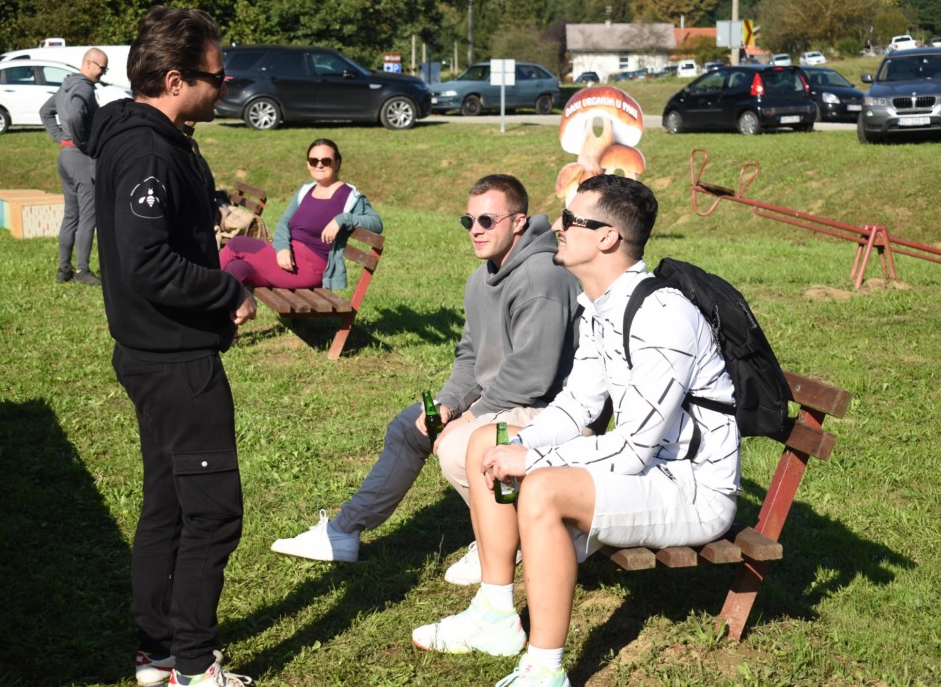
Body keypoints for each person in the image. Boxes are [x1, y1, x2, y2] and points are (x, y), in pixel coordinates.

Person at [412, 175, 741, 687]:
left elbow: (634, 449)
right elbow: (578, 403)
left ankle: (545, 670)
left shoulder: (663, 316)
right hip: (649, 471)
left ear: (607, 237)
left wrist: (534, 462)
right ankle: (495, 615)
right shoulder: (599, 305)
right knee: (486, 440)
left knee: (543, 489)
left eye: (571, 219)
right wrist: (519, 443)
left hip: (692, 489)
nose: (558, 227)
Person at [270, 174, 582, 584]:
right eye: (468, 221)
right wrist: (449, 404)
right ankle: (344, 530)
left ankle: (510, 539)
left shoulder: (543, 278)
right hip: (504, 399)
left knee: (457, 446)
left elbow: (532, 376)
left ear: (519, 222)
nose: (475, 230)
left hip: (549, 408)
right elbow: (470, 356)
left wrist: (471, 418)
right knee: (411, 426)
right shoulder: (481, 278)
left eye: (487, 221)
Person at [87, 6, 257, 687]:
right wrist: (226, 290)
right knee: (212, 513)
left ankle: (157, 653)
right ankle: (194, 663)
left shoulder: (155, 138)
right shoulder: (147, 151)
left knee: (168, 505)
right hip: (175, 363)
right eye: (218, 75)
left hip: (153, 355)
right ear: (176, 79)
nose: (226, 85)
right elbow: (146, 263)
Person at [218, 139, 381, 291]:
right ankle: (221, 312)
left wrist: (342, 219)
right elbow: (284, 222)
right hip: (286, 258)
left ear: (337, 163)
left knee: (237, 244)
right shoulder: (306, 190)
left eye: (326, 161)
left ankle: (204, 289)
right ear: (308, 164)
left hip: (309, 268)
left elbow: (376, 223)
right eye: (314, 161)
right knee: (236, 269)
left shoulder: (349, 196)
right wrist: (282, 248)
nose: (319, 165)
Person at [40, 47, 109, 285]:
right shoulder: (84, 88)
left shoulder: (66, 87)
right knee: (88, 215)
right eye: (102, 68)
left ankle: (64, 269)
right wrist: (83, 143)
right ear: (89, 63)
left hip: (65, 156)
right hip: (80, 157)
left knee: (71, 214)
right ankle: (82, 271)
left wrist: (61, 138)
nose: (103, 73)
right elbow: (74, 116)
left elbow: (45, 111)